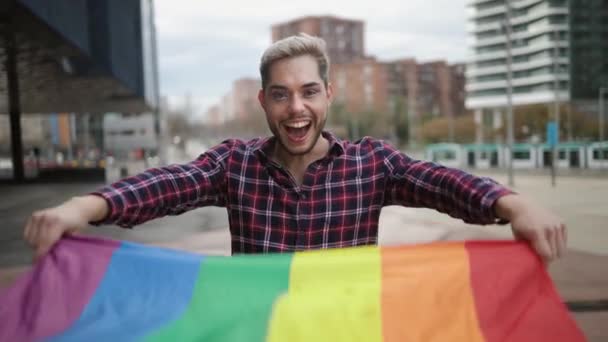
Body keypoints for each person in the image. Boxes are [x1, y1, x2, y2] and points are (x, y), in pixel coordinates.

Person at [24, 34, 566, 262]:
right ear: (263, 101)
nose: (296, 109)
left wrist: (514, 203)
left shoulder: (371, 164)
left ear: (328, 95)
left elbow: (444, 183)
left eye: (308, 92)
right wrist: (81, 207)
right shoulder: (233, 164)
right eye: (280, 96)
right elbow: (166, 185)